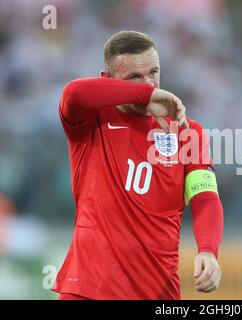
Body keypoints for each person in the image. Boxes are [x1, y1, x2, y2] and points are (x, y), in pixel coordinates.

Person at [52, 31, 224, 300]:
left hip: (157, 292)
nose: (150, 84)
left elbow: (205, 198)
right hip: (88, 290)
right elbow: (73, 93)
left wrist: (208, 250)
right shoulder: (91, 120)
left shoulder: (188, 132)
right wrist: (145, 95)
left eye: (154, 72)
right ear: (108, 80)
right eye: (134, 77)